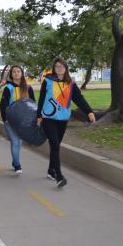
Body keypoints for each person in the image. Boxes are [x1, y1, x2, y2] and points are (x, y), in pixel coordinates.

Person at [37, 57, 95, 188]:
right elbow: (41, 99)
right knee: (55, 145)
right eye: (57, 66)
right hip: (48, 118)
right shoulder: (47, 81)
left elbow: (79, 99)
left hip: (62, 119)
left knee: (55, 146)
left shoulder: (71, 84)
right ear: (54, 68)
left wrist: (89, 112)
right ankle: (59, 176)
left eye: (61, 66)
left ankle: (51, 170)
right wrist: (39, 116)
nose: (59, 68)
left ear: (65, 68)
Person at [0, 65, 35, 174]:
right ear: (11, 75)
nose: (16, 73)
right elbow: (3, 105)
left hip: (23, 121)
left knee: (19, 143)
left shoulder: (28, 88)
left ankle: (15, 162)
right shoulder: (8, 88)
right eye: (14, 72)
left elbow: (33, 104)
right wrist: (5, 118)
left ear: (21, 73)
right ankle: (17, 165)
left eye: (18, 71)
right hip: (10, 120)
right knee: (15, 141)